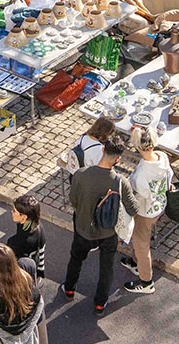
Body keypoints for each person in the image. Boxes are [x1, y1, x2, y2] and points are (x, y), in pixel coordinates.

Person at [63, 136, 136, 315]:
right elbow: (133, 209)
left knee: (76, 259)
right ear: (118, 159)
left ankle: (70, 289)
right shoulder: (120, 182)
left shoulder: (80, 174)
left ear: (103, 150)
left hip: (82, 228)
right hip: (108, 232)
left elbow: (73, 200)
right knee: (106, 267)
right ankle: (99, 304)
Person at [122, 125, 172, 296]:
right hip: (160, 204)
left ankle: (146, 281)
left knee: (141, 244)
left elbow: (136, 197)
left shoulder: (141, 174)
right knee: (142, 240)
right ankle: (136, 263)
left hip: (145, 212)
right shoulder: (162, 157)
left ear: (136, 146)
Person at [6, 194, 46, 279]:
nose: (12, 212)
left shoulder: (23, 240)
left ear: (24, 217)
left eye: (14, 211)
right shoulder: (37, 225)